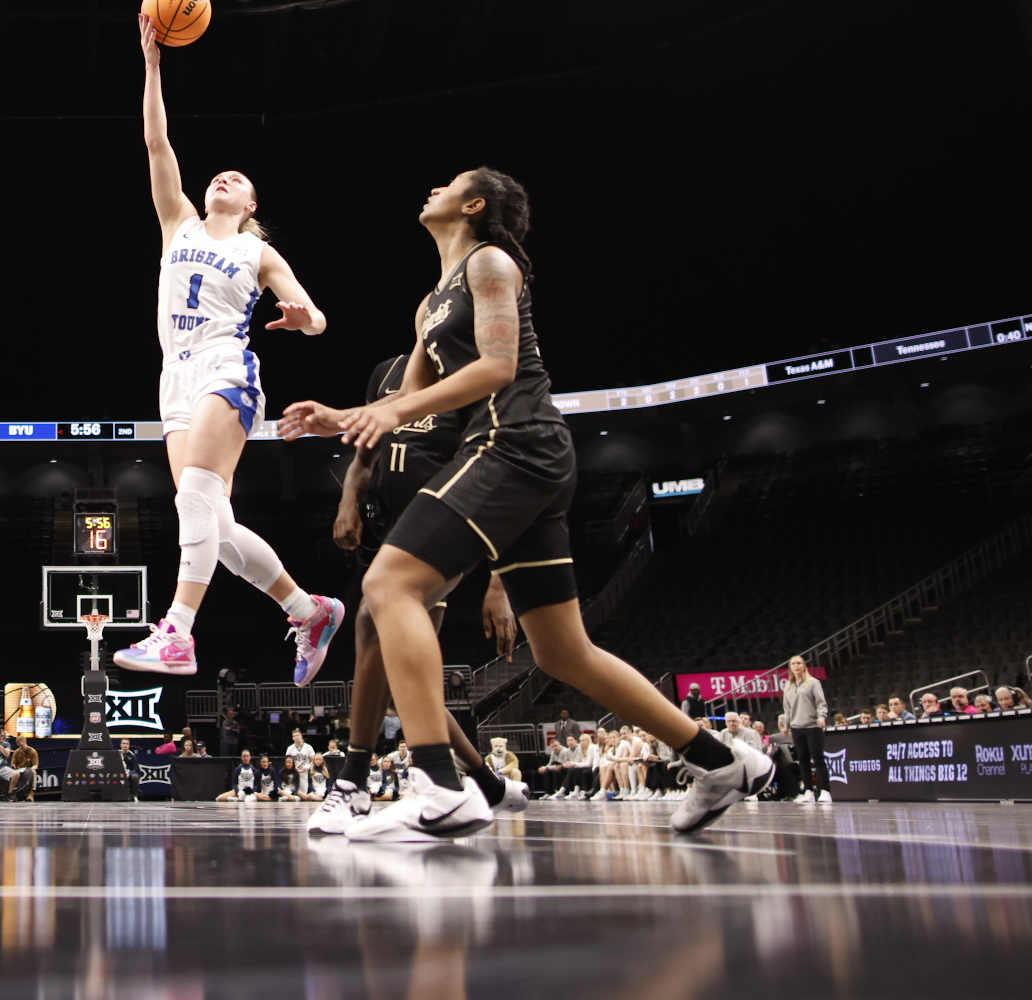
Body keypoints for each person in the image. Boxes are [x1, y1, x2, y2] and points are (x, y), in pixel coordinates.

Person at [280, 170, 771, 841]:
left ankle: (438, 786)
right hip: (512, 457)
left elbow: (498, 367)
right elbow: (410, 402)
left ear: (473, 205)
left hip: (515, 441)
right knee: (563, 652)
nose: (431, 190)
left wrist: (388, 413)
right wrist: (346, 417)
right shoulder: (429, 306)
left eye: (448, 184)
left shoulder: (490, 262)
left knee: (387, 585)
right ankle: (720, 762)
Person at [114, 14, 345, 684]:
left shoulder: (256, 250)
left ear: (250, 205)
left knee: (195, 491)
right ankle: (308, 609)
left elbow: (318, 318)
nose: (223, 179)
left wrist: (304, 320)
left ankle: (178, 632)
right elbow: (157, 143)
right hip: (174, 381)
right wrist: (153, 65)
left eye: (236, 180)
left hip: (227, 367)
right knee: (214, 518)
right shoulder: (177, 221)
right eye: (219, 176)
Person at [316, 346, 527, 836]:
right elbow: (364, 452)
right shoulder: (384, 373)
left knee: (376, 638)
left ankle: (357, 784)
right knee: (397, 692)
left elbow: (502, 477)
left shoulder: (475, 375)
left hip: (439, 533)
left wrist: (500, 582)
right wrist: (348, 499)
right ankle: (480, 785)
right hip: (385, 533)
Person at [783, 656, 831, 804]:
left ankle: (824, 791)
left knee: (817, 759)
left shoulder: (813, 683)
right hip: (797, 727)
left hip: (812, 726)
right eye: (793, 664)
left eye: (799, 663)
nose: (796, 666)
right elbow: (787, 708)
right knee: (802, 760)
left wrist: (821, 716)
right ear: (790, 667)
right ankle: (808, 790)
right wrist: (786, 723)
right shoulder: (788, 686)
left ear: (804, 666)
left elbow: (820, 702)